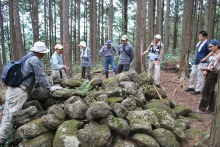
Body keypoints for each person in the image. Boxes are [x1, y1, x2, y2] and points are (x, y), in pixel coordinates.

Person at [0, 41, 62, 144]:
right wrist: (49, 88)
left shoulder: (27, 57)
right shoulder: (34, 59)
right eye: (44, 52)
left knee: (7, 114)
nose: (44, 54)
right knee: (9, 118)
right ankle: (1, 140)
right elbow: (40, 76)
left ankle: (4, 136)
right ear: (40, 53)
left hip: (12, 89)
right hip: (19, 92)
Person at [196, 39, 220, 114]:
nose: (210, 48)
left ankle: (202, 108)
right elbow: (211, 63)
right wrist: (207, 69)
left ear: (216, 46)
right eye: (209, 47)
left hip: (214, 74)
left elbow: (215, 66)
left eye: (211, 46)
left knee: (206, 90)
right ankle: (211, 109)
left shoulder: (219, 55)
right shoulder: (214, 53)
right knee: (211, 91)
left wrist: (206, 68)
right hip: (211, 73)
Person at [185, 31, 210, 95]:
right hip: (196, 61)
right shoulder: (199, 43)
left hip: (202, 62)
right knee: (192, 74)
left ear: (204, 36)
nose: (199, 37)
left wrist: (205, 58)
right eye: (199, 36)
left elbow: (211, 52)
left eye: (201, 36)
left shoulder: (207, 44)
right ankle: (191, 86)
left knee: (199, 76)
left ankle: (198, 90)